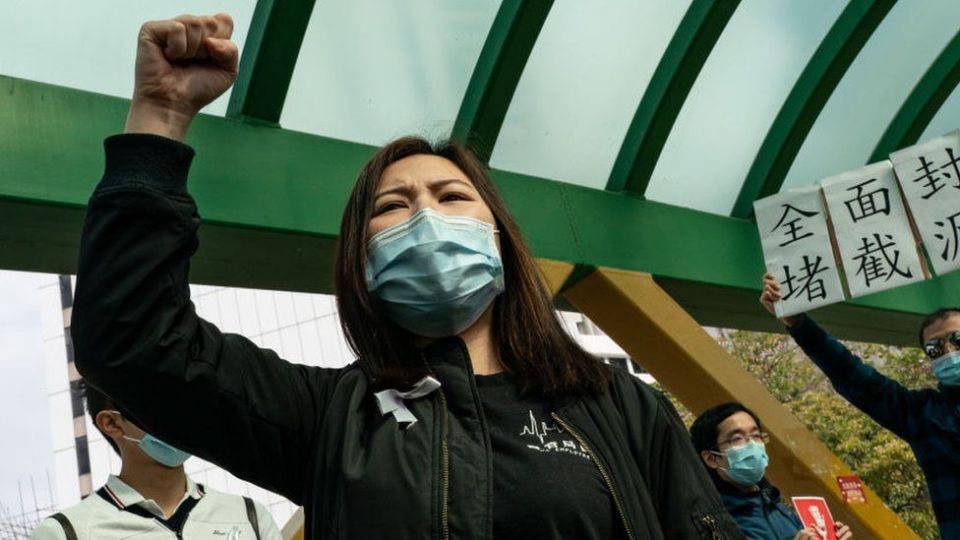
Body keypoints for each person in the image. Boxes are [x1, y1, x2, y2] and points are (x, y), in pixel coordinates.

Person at [70, 12, 745, 540]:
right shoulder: (329, 417)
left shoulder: (621, 404)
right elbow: (134, 341)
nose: (425, 216)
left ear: (500, 239)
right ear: (361, 263)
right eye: (392, 208)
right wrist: (159, 119)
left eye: (451, 197)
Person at [761, 272, 960, 539]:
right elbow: (852, 375)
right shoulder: (922, 414)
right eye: (935, 348)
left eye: (957, 339)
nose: (949, 352)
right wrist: (797, 322)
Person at [30, 385, 281, 539]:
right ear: (112, 422)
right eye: (158, 404)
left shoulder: (249, 516)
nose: (178, 416)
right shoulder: (66, 532)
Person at [691, 402, 853, 540]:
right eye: (737, 438)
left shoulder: (774, 504)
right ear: (711, 458)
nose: (752, 445)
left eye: (756, 436)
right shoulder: (714, 524)